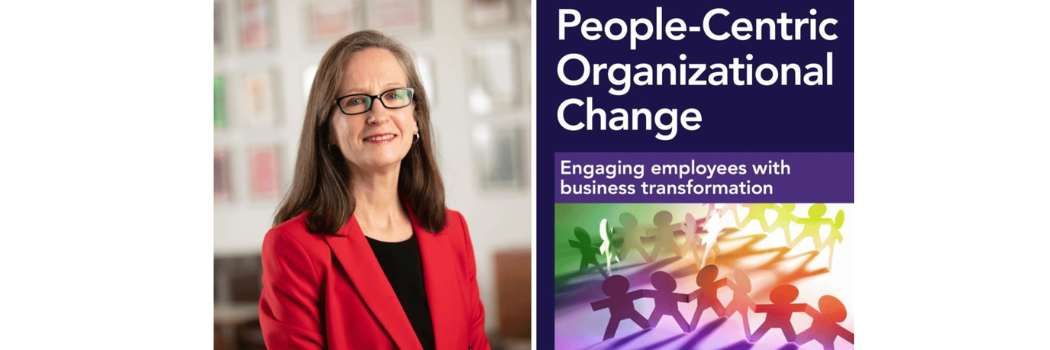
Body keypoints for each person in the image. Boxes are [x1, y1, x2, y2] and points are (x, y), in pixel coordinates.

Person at [259, 30, 490, 350]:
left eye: (394, 95)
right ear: (327, 129)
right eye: (356, 101)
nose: (378, 115)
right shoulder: (294, 247)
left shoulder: (453, 232)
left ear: (416, 119)